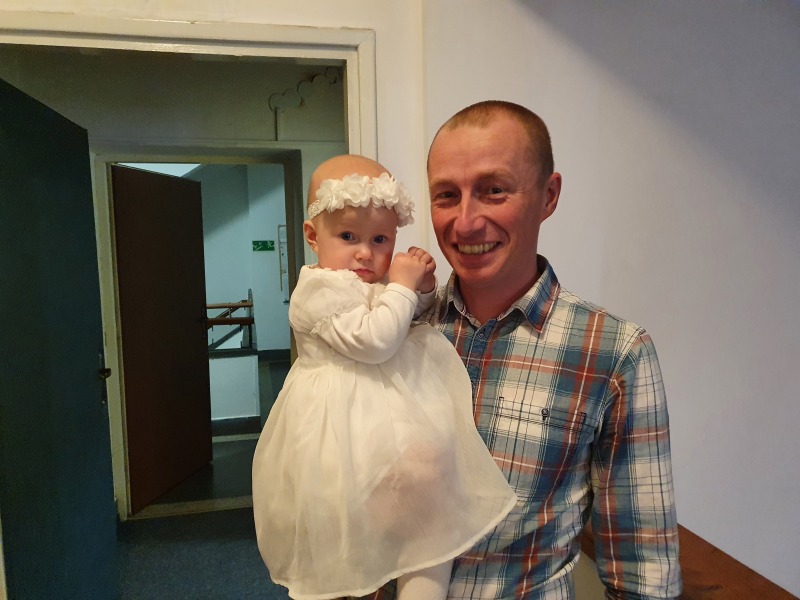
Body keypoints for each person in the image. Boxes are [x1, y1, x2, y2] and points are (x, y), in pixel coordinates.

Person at [358, 101, 682, 599]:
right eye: (447, 195)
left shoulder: (614, 353)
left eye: (494, 190)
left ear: (548, 196)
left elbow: (645, 576)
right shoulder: (395, 330)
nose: (466, 222)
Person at [252, 154, 517, 600]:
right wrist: (401, 286)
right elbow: (376, 340)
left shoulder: (368, 282)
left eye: (380, 239)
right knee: (355, 540)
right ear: (313, 236)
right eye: (348, 236)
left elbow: (409, 315)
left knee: (430, 520)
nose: (365, 252)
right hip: (343, 435)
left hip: (389, 429)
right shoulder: (318, 290)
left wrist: (422, 287)